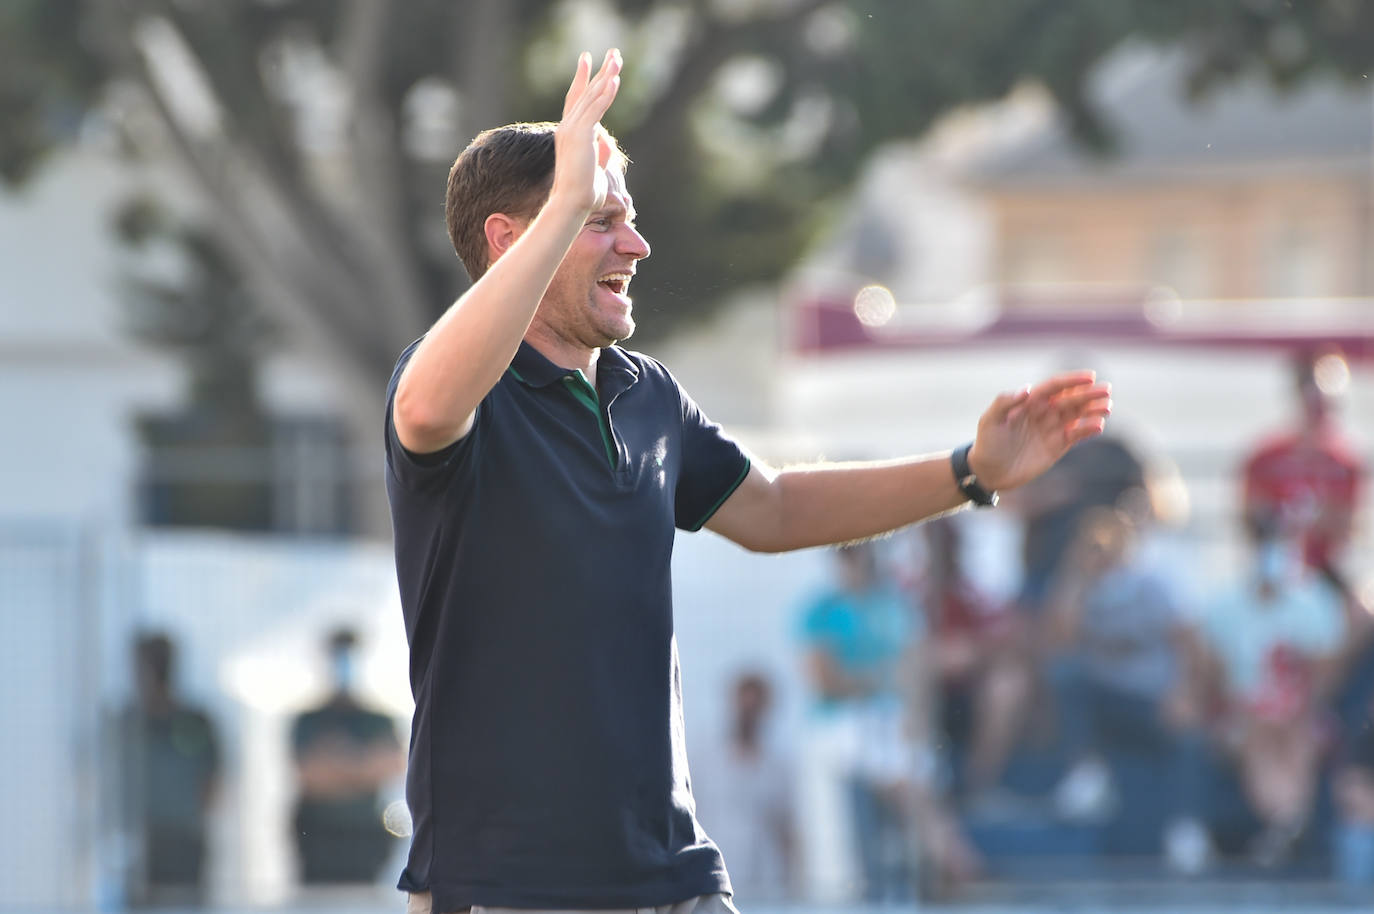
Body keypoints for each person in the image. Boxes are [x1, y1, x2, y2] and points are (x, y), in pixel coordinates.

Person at [384, 48, 1111, 914]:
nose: (636, 244)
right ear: (510, 239)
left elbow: (774, 508)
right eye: (599, 218)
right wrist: (569, 197)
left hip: (671, 869)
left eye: (625, 217)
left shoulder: (647, 394)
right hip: (507, 880)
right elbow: (426, 408)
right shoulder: (455, 390)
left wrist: (970, 471)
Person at [1041, 508, 1212, 872]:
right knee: (1067, 674)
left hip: (1152, 699)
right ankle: (1087, 773)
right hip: (1104, 699)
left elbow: (1193, 649)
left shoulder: (1153, 586)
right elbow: (1060, 642)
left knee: (1188, 737)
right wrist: (1075, 574)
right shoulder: (1081, 590)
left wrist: (1183, 694)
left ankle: (1185, 829)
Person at [1198, 514, 1346, 867]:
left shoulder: (1315, 601)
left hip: (1300, 713)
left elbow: (1324, 674)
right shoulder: (1223, 606)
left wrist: (1295, 707)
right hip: (1241, 716)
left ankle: (1285, 824)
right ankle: (1287, 822)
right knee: (1259, 732)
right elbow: (1212, 676)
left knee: (1296, 735)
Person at [906, 516, 1032, 805]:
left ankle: (977, 787)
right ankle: (922, 789)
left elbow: (1007, 637)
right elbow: (901, 649)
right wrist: (938, 656)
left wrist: (971, 652)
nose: (943, 555)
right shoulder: (907, 590)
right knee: (913, 674)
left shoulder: (971, 593)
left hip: (966, 694)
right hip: (918, 694)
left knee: (1010, 683)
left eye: (948, 546)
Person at [290, 627, 406, 885]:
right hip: (319, 839)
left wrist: (337, 761)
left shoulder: (379, 720)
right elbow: (311, 775)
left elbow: (392, 766)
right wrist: (362, 764)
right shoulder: (308, 720)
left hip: (366, 838)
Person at [117, 632, 221, 908]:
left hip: (183, 842)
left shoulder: (194, 721)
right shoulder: (127, 724)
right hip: (139, 843)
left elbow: (212, 782)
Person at [691, 673, 795, 903]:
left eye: (755, 707)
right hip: (712, 877)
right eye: (744, 706)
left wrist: (791, 884)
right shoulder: (705, 759)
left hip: (764, 882)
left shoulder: (777, 765)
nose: (748, 714)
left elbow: (786, 829)